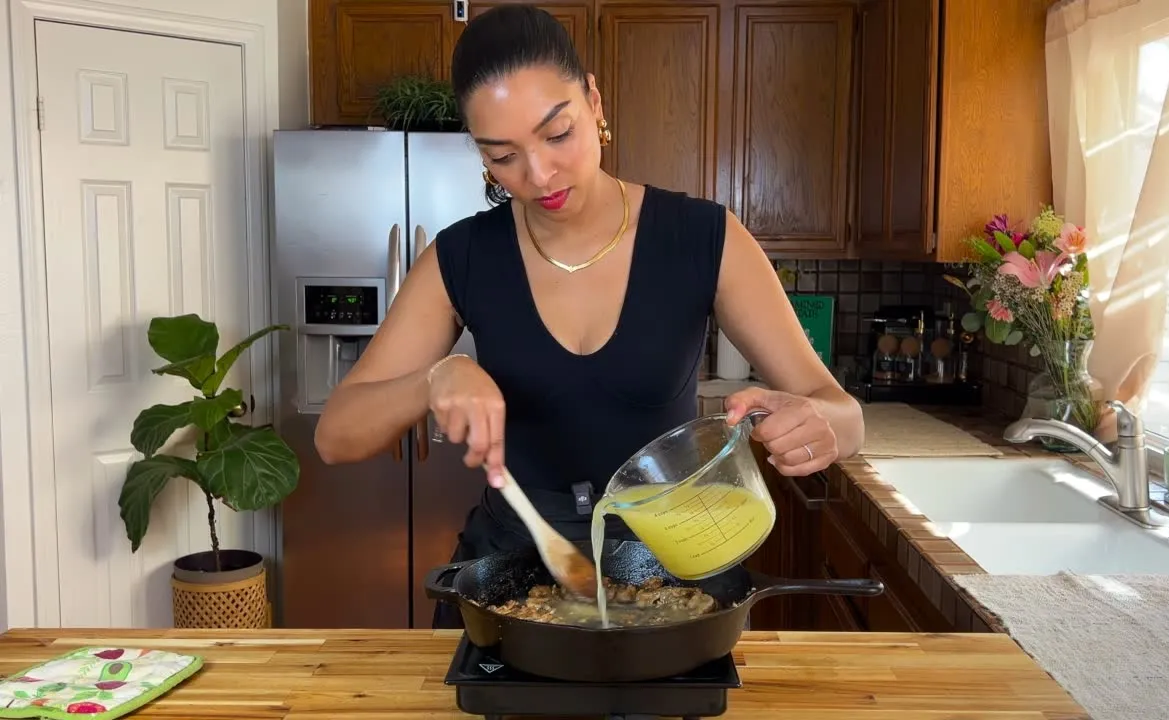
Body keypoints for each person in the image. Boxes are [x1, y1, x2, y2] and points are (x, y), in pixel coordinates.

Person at [313, 5, 866, 629]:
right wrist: (436, 377)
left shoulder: (703, 238)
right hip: (509, 583)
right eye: (503, 156)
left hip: (676, 584)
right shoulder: (462, 255)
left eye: (557, 133)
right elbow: (335, 435)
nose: (539, 174)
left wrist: (820, 423)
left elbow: (843, 415)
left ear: (594, 101)